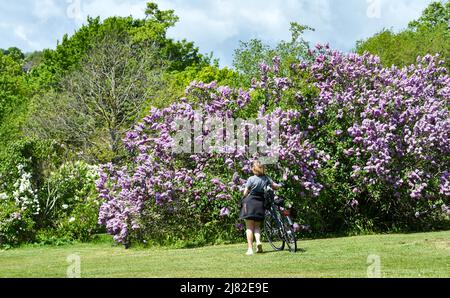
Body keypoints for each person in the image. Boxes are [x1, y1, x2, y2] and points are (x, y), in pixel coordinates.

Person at [240, 160, 282, 255]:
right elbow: (275, 186)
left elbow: (245, 193)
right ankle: (258, 241)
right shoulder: (266, 178)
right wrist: (280, 185)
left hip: (250, 202)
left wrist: (245, 193)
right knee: (257, 226)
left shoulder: (251, 179)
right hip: (260, 203)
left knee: (249, 227)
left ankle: (250, 249)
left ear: (253, 169)